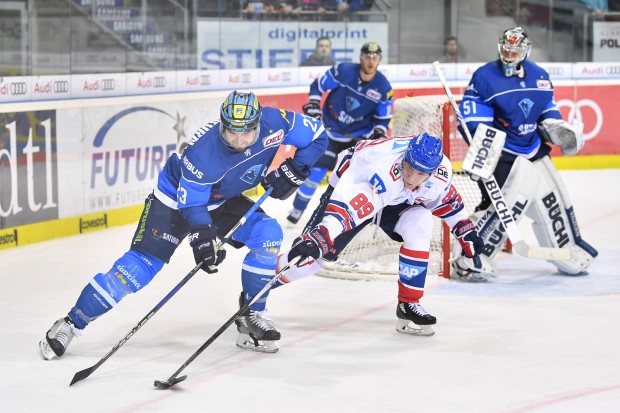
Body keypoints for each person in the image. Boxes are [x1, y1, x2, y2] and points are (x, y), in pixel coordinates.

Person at [39, 91, 329, 358]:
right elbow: (192, 206)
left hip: (220, 199)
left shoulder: (276, 121)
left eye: (246, 133)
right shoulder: (204, 153)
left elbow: (318, 136)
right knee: (136, 271)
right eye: (231, 133)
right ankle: (71, 324)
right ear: (221, 126)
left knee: (269, 233)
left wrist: (296, 167)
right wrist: (204, 240)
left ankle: (251, 314)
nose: (239, 141)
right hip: (174, 204)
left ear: (258, 123)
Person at [275, 133, 486, 336]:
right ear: (404, 159)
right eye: (409, 168)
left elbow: (447, 201)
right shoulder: (381, 169)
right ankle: (257, 287)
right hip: (352, 184)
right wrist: (324, 233)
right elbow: (348, 209)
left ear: (432, 171)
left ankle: (409, 303)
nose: (412, 178)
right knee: (310, 257)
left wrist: (463, 228)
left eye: (421, 174)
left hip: (393, 198)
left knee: (420, 222)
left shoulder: (439, 173)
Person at [457, 27, 597, 278]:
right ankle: (469, 257)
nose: (510, 54)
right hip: (503, 155)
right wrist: (484, 152)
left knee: (552, 198)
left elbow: (548, 108)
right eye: (506, 49)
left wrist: (554, 125)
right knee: (499, 209)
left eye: (515, 50)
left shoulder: (540, 76)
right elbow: (473, 120)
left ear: (525, 50)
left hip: (533, 149)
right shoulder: (485, 76)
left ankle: (568, 246)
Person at [287, 41, 393, 224]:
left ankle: (345, 217)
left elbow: (383, 118)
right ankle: (297, 209)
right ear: (361, 57)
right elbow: (317, 86)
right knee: (316, 172)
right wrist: (313, 104)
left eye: (375, 58)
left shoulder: (383, 87)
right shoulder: (342, 71)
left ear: (380, 61)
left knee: (352, 179)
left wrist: (379, 131)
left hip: (357, 138)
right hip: (330, 132)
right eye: (367, 56)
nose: (371, 60)